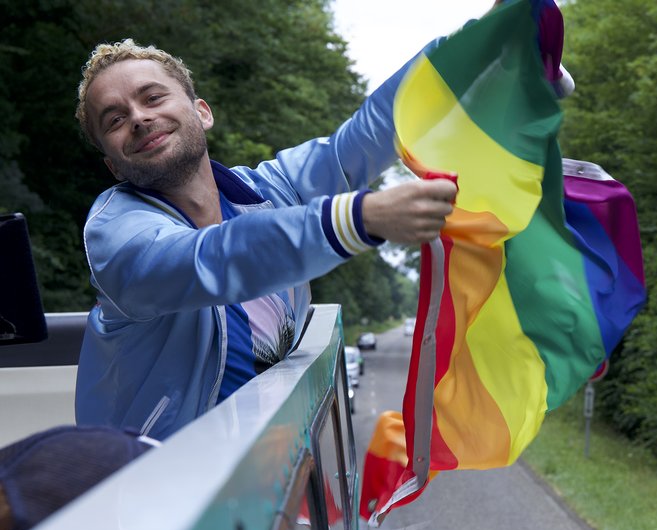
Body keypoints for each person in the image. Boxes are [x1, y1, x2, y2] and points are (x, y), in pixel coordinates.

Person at [73, 38, 457, 440]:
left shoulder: (267, 190)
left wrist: (473, 45)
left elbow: (363, 139)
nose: (137, 118)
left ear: (202, 112)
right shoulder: (114, 231)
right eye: (114, 120)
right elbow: (213, 259)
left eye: (152, 97)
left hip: (272, 478)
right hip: (163, 487)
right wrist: (357, 219)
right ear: (113, 166)